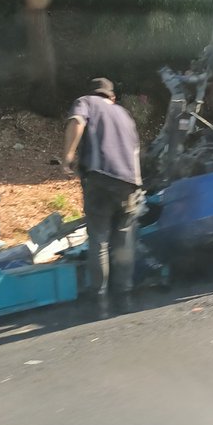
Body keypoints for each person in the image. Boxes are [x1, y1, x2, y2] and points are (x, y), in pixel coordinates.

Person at [62, 78, 141, 309]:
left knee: (99, 239)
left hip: (100, 179)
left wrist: (68, 156)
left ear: (93, 93)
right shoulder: (125, 114)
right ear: (112, 97)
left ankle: (100, 301)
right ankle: (124, 298)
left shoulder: (86, 102)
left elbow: (76, 122)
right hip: (130, 183)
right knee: (124, 242)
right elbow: (136, 148)